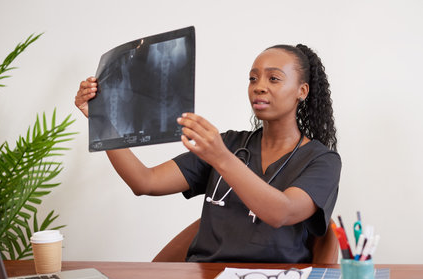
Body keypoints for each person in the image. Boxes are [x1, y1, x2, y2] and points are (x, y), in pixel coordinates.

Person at [75, 44, 341, 263]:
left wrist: (222, 158)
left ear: (301, 91)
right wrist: (102, 122)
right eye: (253, 78)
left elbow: (281, 213)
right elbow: (144, 182)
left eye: (273, 78)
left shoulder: (321, 160)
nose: (259, 86)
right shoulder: (228, 143)